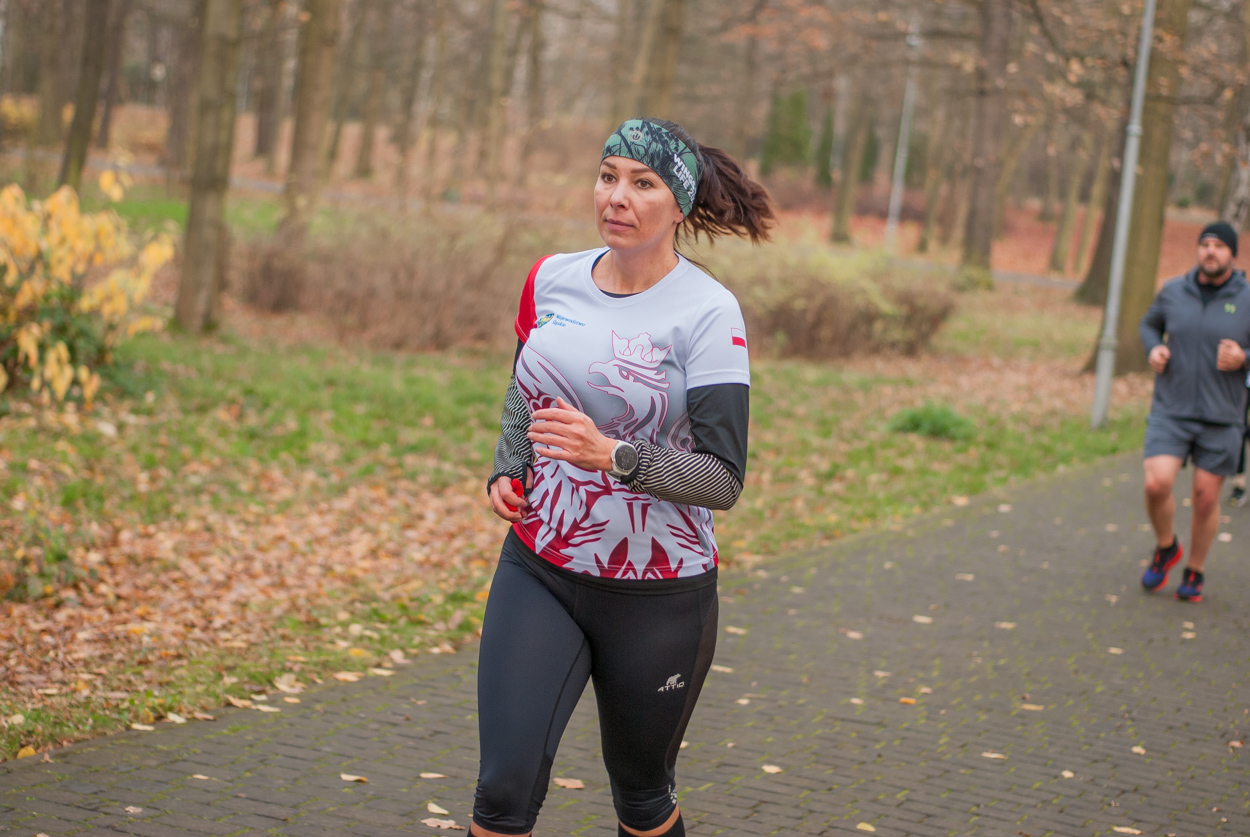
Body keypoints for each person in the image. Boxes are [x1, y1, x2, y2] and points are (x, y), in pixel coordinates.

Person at [475, 118, 774, 837]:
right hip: (540, 566)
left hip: (658, 594)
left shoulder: (709, 312)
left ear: (679, 205)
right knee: (501, 793)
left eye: (643, 183)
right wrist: (509, 463)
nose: (617, 196)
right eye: (608, 175)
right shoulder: (551, 277)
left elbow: (723, 480)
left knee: (641, 799)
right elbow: (524, 387)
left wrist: (612, 455)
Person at [1139, 221, 1250, 602]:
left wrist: (1244, 358)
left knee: (1205, 497)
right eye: (1205, 244)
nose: (1210, 251)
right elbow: (1149, 325)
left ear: (1232, 253)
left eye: (1219, 245)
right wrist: (1154, 348)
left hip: (1223, 414)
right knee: (1156, 484)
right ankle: (1166, 547)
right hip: (1172, 408)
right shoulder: (1173, 291)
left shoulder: (1247, 298)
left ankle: (1195, 569)